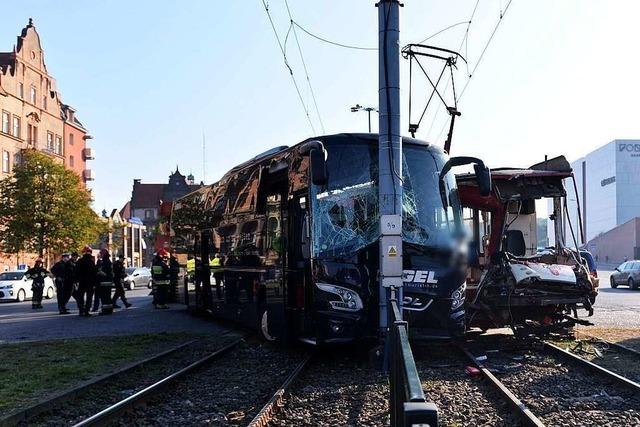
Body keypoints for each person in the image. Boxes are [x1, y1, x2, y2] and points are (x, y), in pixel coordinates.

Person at [75, 246, 96, 316]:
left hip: (81, 281)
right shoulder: (91, 261)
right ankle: (87, 311)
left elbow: (76, 272)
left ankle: (81, 311)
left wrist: (77, 280)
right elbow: (94, 272)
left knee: (80, 296)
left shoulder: (79, 261)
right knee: (89, 297)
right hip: (90, 282)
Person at [95, 249, 114, 315]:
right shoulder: (107, 261)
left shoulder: (105, 262)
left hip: (104, 282)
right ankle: (109, 309)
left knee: (104, 297)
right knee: (107, 297)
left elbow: (106, 273)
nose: (100, 255)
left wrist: (100, 272)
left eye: (100, 253)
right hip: (108, 282)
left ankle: (105, 310)